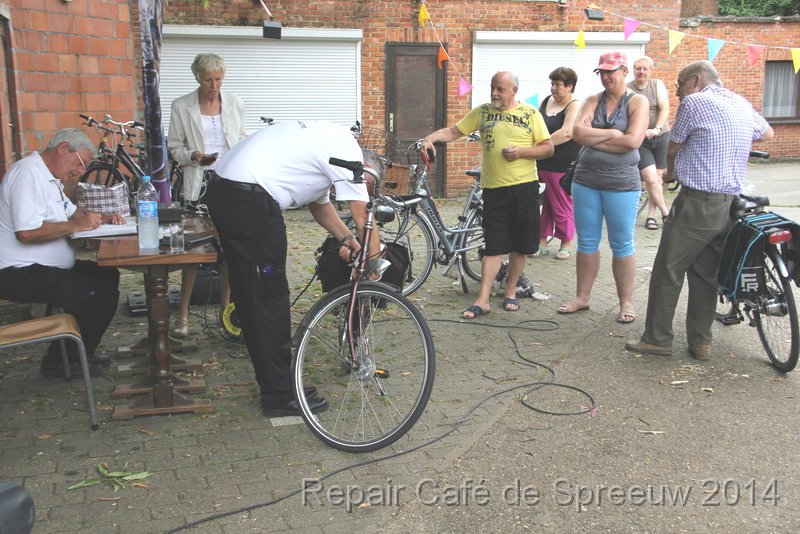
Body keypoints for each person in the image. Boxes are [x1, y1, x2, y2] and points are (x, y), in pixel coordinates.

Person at [206, 120, 382, 417]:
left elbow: (319, 206)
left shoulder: (324, 142)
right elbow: (362, 212)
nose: (362, 187)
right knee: (270, 299)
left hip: (226, 191)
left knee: (252, 297)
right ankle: (280, 396)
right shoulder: (346, 152)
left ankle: (276, 384)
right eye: (366, 184)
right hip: (252, 200)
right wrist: (373, 264)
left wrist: (347, 239)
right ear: (364, 169)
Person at [626, 60, 774, 360]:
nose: (678, 93)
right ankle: (700, 342)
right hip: (729, 205)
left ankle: (657, 338)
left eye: (680, 85)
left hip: (697, 203)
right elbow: (767, 133)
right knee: (705, 274)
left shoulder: (695, 101)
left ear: (695, 80)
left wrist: (668, 174)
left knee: (668, 270)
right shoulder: (739, 101)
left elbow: (673, 144)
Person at [419, 71, 553, 319]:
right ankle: (483, 300)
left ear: (513, 90)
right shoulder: (482, 112)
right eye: (493, 88)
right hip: (493, 189)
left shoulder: (531, 114)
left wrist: (522, 152)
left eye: (500, 89)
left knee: (520, 245)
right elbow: (453, 132)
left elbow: (548, 148)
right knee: (494, 245)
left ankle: (510, 291)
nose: (494, 93)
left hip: (524, 187)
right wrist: (430, 138)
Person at [0, 129, 123, 378]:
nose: (81, 170)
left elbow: (73, 212)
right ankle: (60, 361)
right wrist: (78, 226)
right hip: (18, 271)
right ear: (63, 149)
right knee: (99, 296)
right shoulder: (28, 175)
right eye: (81, 163)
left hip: (40, 267)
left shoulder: (50, 178)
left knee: (107, 275)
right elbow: (27, 232)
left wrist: (100, 219)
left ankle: (78, 351)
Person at [557, 52, 648, 324]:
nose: (607, 76)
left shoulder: (638, 101)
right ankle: (582, 297)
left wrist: (592, 138)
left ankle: (626, 302)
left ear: (624, 71)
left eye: (612, 71)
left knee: (622, 244)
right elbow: (577, 134)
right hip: (586, 181)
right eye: (603, 72)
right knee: (586, 242)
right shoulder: (592, 100)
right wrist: (611, 134)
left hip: (621, 184)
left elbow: (633, 141)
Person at [167, 53, 246, 338]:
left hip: (230, 182)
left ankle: (226, 312)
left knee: (228, 250)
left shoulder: (235, 103)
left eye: (218, 79)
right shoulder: (182, 106)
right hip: (198, 183)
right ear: (197, 78)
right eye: (208, 79)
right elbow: (174, 147)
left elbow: (242, 139)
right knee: (194, 251)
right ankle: (183, 314)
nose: (214, 85)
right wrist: (193, 156)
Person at [532, 67, 581, 261]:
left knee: (562, 204)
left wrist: (541, 145)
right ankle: (541, 242)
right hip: (543, 162)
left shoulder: (574, 105)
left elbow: (567, 132)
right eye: (552, 83)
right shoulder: (546, 101)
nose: (553, 88)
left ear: (569, 86)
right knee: (545, 206)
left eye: (558, 84)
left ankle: (566, 242)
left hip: (562, 164)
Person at [627, 56, 671, 229]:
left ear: (651, 71)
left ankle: (651, 217)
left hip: (661, 136)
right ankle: (666, 213)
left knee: (658, 179)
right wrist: (639, 130)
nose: (641, 72)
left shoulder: (657, 85)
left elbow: (664, 108)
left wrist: (657, 128)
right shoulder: (628, 89)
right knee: (650, 178)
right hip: (642, 140)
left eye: (645, 69)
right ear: (633, 69)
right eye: (638, 68)